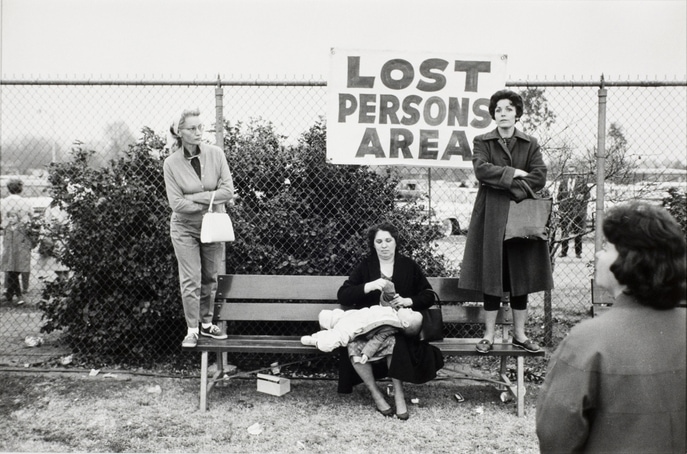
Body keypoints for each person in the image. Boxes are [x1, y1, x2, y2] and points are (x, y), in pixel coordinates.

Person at [536, 202, 686, 453]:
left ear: (630, 260)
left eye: (606, 247)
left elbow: (555, 435)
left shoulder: (588, 340)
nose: (597, 254)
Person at [459, 89, 553, 354]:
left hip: (521, 216)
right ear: (493, 114)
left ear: (517, 113)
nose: (503, 114)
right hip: (491, 217)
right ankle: (488, 336)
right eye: (498, 109)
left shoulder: (530, 143)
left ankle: (520, 335)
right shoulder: (482, 141)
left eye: (509, 109)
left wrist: (509, 185)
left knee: (519, 276)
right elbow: (481, 170)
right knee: (493, 275)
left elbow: (539, 176)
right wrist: (515, 173)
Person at [337, 222, 444, 420]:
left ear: (395, 242)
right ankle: (376, 394)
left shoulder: (408, 265)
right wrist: (368, 286)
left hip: (400, 327)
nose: (384, 245)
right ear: (373, 245)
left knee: (394, 342)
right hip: (371, 326)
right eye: (379, 241)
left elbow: (428, 295)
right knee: (353, 344)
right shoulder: (366, 266)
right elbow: (343, 295)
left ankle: (399, 395)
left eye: (388, 240)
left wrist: (408, 301)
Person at [163, 109, 235, 348]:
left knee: (210, 278)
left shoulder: (216, 154)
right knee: (191, 279)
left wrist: (197, 196)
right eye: (192, 129)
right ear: (179, 132)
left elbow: (228, 192)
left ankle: (207, 324)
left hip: (213, 226)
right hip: (184, 229)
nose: (198, 132)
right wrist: (210, 199)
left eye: (200, 127)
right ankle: (192, 330)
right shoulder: (171, 164)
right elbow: (177, 204)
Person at [300, 305, 423, 357]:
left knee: (336, 338)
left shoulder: (391, 326)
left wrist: (366, 353)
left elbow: (377, 339)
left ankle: (316, 341)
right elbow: (384, 299)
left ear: (405, 323)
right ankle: (324, 332)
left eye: (411, 312)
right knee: (327, 316)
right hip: (353, 315)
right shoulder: (392, 311)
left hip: (354, 327)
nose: (409, 308)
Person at [1, 179, 35, 305]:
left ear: (8, 188)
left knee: (10, 263)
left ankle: (8, 292)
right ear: (21, 188)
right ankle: (20, 291)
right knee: (20, 263)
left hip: (8, 234)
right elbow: (32, 217)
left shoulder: (3, 202)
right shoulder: (26, 202)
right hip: (22, 235)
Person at [557, 166, 590, 258]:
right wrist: (562, 204)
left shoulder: (582, 182)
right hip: (565, 210)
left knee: (577, 231)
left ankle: (578, 252)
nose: (571, 174)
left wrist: (582, 196)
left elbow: (588, 195)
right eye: (569, 172)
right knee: (564, 231)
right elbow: (558, 196)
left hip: (577, 210)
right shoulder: (563, 183)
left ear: (576, 172)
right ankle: (564, 252)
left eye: (573, 172)